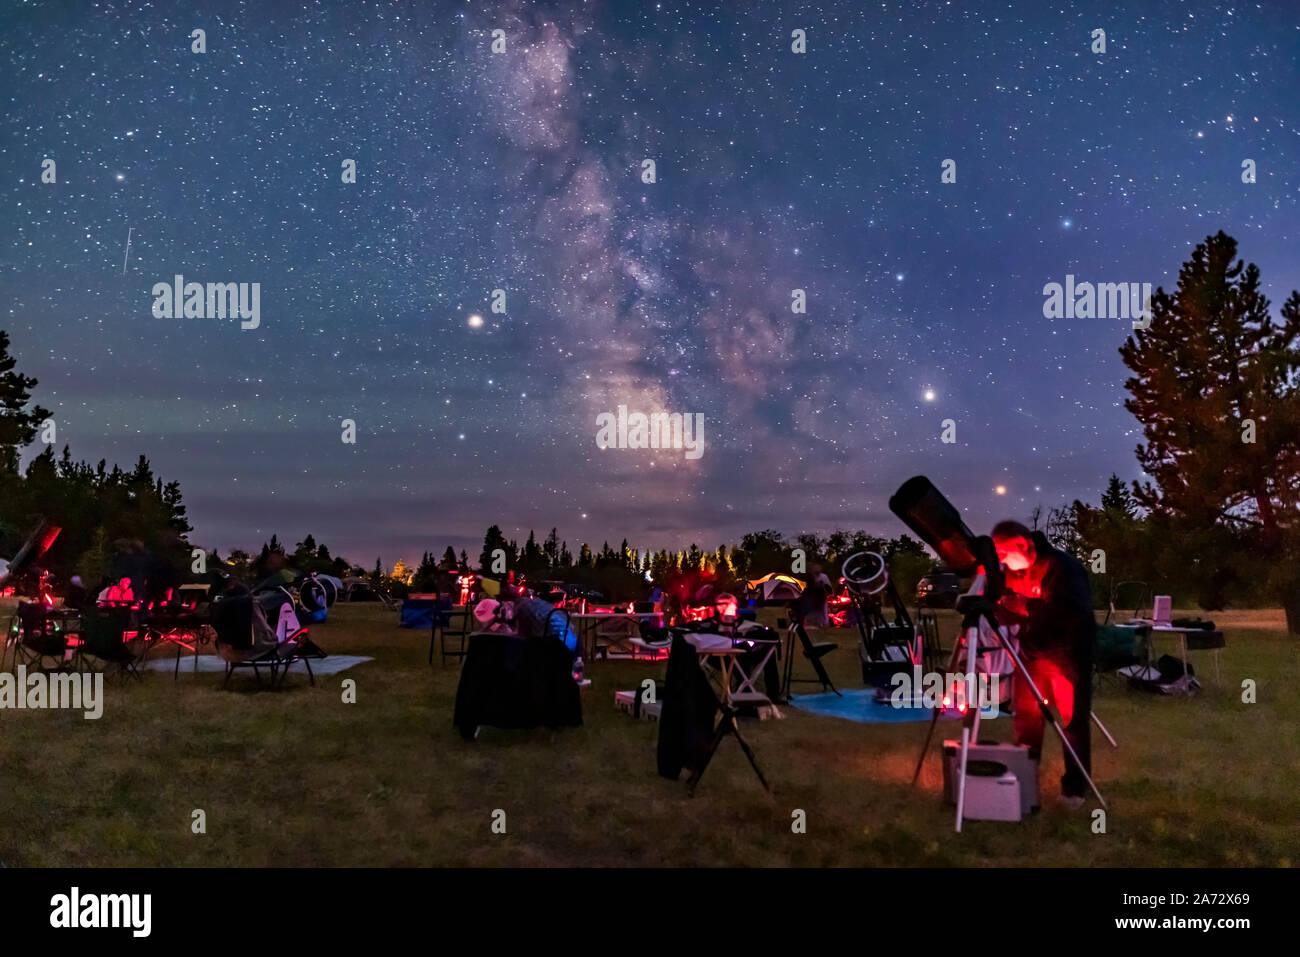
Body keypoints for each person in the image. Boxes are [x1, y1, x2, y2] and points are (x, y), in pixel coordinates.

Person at [991, 520, 1095, 808]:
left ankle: (1074, 789)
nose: (1001, 561)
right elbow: (1016, 613)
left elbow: (1069, 611)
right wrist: (1001, 608)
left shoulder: (1063, 568)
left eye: (1004, 553)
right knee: (1026, 719)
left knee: (1072, 722)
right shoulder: (1015, 573)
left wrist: (1024, 605)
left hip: (1067, 653)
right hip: (1031, 653)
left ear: (1024, 545)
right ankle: (1023, 778)